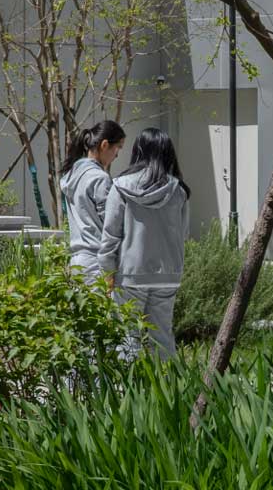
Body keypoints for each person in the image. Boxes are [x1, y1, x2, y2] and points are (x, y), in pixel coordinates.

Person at [97, 126, 192, 360]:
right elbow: (184, 235)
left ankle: (128, 393)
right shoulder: (178, 191)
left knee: (128, 337)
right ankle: (167, 390)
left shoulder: (120, 186)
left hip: (130, 275)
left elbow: (110, 235)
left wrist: (107, 272)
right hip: (168, 275)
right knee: (162, 337)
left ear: (139, 151)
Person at [59, 120, 126, 272]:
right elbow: (111, 224)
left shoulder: (72, 176)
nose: (117, 155)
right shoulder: (100, 179)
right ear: (104, 145)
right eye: (118, 148)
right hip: (97, 262)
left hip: (77, 261)